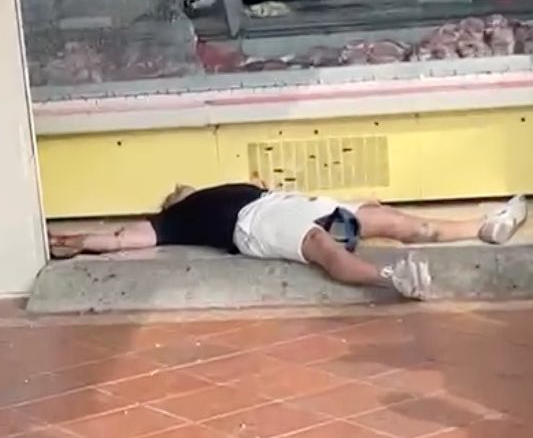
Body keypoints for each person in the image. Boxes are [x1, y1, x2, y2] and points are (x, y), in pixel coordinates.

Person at [48, 182, 528, 301]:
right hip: (258, 225)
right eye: (177, 191)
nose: (181, 187)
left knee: (390, 220)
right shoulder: (170, 220)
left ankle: (483, 225)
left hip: (294, 203)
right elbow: (120, 238)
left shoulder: (227, 186)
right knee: (323, 249)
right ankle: (393, 278)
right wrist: (72, 240)